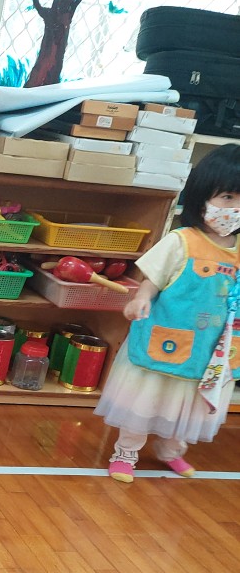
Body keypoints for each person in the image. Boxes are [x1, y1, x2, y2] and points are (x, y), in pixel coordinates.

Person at [95, 143, 240, 482]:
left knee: (189, 405)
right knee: (145, 401)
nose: (235, 208)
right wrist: (141, 299)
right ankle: (126, 452)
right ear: (202, 198)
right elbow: (152, 279)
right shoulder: (181, 240)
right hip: (166, 339)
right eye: (227, 198)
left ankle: (170, 450)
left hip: (210, 349)